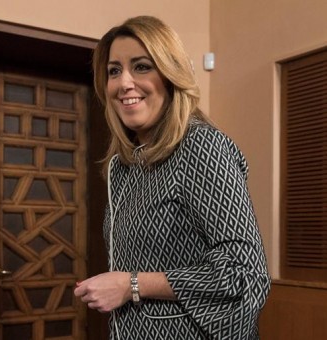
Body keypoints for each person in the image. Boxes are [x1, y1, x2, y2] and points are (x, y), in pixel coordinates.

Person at [73, 16, 271, 339]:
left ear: (170, 75)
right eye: (114, 71)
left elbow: (244, 275)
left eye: (141, 67)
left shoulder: (201, 146)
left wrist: (132, 284)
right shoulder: (121, 167)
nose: (124, 83)